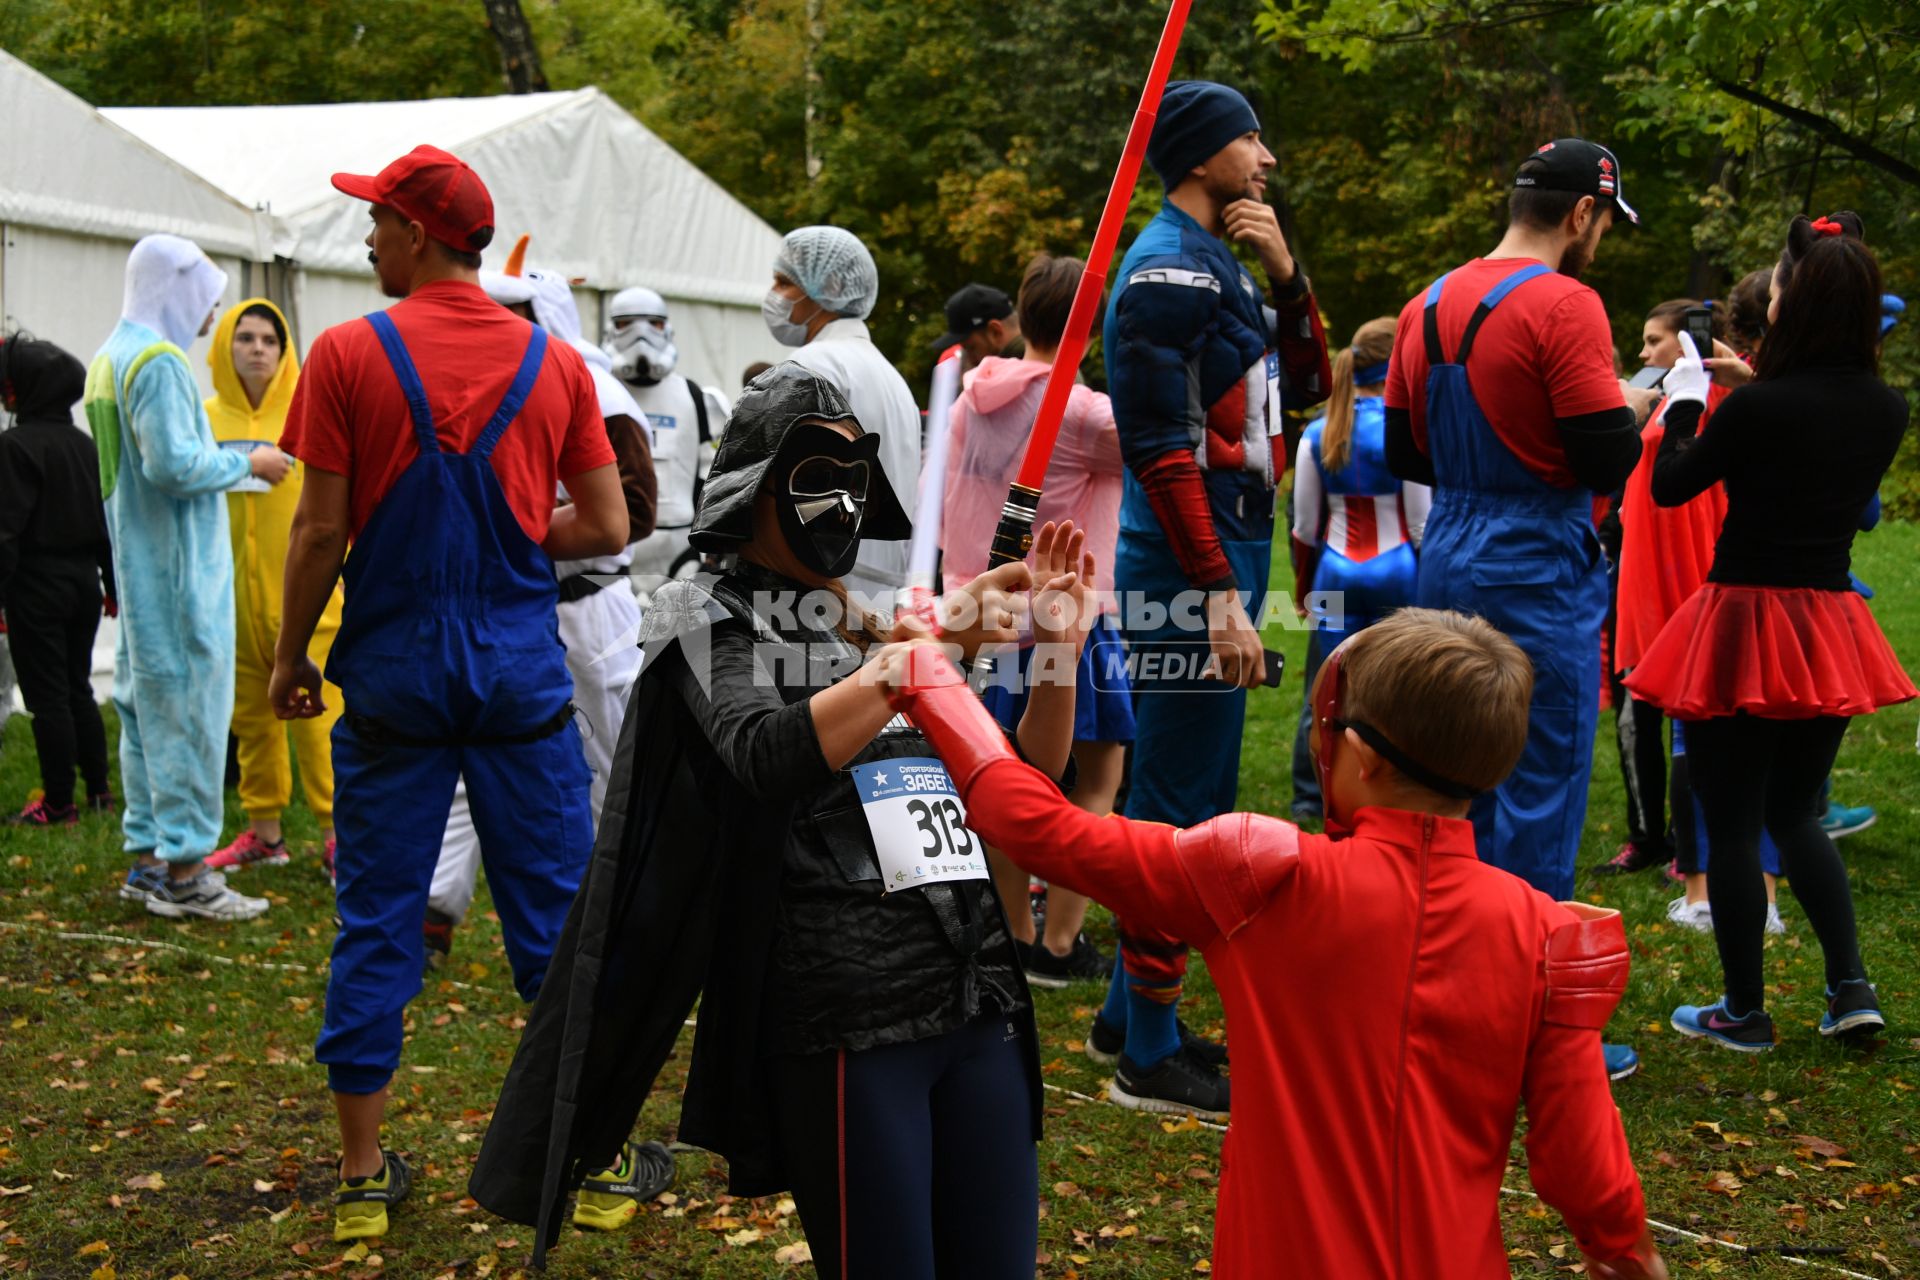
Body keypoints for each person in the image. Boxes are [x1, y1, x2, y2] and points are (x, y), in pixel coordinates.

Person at [471, 366, 1064, 1278]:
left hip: (977, 993)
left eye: (852, 483)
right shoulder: (699, 610)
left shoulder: (870, 627)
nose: (838, 504)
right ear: (753, 491)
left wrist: (1055, 645)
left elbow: (1028, 778)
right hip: (851, 1015)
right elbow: (765, 750)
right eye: (812, 478)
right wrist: (928, 650)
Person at [879, 608, 1668, 1280]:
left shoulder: (1267, 879)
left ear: (1356, 754)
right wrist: (1624, 1251)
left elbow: (1033, 824)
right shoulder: (1545, 935)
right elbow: (1584, 1164)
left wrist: (932, 676)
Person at [268, 145, 631, 1242]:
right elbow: (609, 525)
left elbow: (322, 527)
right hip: (520, 674)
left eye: (377, 220)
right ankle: (595, 1161)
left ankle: (366, 1175)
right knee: (558, 918)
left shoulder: (343, 353)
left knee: (378, 914)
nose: (368, 237)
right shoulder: (554, 363)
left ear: (419, 234)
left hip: (393, 677)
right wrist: (523, 534)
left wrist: (292, 658)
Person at [1385, 139, 1651, 1078]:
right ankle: (1523, 1023)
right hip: (1536, 558)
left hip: (1447, 549)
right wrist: (1635, 407)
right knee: (1536, 786)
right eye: (1604, 226)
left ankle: (1442, 993)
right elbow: (1605, 459)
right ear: (1582, 214)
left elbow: (1407, 454)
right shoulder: (1567, 304)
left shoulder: (1428, 301)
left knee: (1447, 778)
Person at [1098, 79, 1331, 1117]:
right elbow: (1155, 448)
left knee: (1175, 787)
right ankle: (1147, 1049)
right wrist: (1218, 596)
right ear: (1199, 156)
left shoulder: (1221, 266)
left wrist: (1286, 272)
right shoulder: (1164, 274)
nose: (1268, 155)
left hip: (1224, 547)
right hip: (1192, 560)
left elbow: (1311, 386)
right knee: (1182, 808)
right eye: (1249, 136)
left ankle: (1126, 1006)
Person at [1628, 212, 1914, 1051]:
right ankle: (1850, 987)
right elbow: (1810, 417)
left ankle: (1744, 1011)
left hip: (1742, 617)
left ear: (1800, 301)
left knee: (1733, 818)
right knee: (1796, 813)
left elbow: (1675, 484)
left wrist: (1686, 406)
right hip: (1827, 620)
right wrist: (1745, 380)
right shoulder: (1885, 407)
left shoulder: (1757, 412)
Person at [422, 256, 658, 971]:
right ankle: (431, 912)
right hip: (514, 615)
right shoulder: (490, 390)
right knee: (473, 752)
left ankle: (629, 923)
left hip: (589, 617)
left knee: (611, 771)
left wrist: (512, 526)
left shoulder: (599, 393)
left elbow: (635, 510)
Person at [87, 234, 289, 920]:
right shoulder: (161, 362)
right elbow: (173, 467)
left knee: (144, 718)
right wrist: (249, 466)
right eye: (207, 300)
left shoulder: (107, 358)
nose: (213, 319)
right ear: (175, 287)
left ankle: (147, 858)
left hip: (140, 571)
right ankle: (188, 870)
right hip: (181, 578)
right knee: (192, 720)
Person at [941, 252, 1125, 988]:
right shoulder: (1083, 412)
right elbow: (1176, 447)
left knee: (1008, 777)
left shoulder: (970, 397)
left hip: (992, 608)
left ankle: (1016, 933)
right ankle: (1059, 944)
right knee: (1099, 773)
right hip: (1069, 614)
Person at [1607, 300, 1785, 932]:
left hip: (1693, 580)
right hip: (1660, 580)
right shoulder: (1680, 402)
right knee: (1699, 734)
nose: (1647, 352)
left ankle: (1711, 883)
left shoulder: (1713, 406)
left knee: (1707, 735)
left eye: (1656, 341)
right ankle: (1705, 874)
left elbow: (1677, 483)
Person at [194, 299, 343, 871]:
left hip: (309, 605)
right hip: (230, 602)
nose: (257, 348)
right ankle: (265, 834)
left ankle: (336, 836)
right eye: (245, 337)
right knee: (252, 720)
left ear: (285, 353)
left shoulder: (308, 417)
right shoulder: (202, 419)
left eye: (270, 340)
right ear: (224, 346)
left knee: (320, 719)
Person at [1286, 316, 1428, 821]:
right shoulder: (1405, 428)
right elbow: (1419, 523)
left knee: (1329, 691)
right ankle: (1393, 795)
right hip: (1398, 570)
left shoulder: (1319, 431)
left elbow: (1304, 526)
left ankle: (1318, 796)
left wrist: (1304, 588)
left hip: (1335, 572)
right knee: (1398, 690)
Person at [763, 225, 923, 606]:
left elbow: (780, 490)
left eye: (784, 282)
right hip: (880, 589)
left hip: (819, 584)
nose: (773, 295)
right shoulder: (892, 378)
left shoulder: (811, 365)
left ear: (828, 287)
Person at [0, 332, 115, 826]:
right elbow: (106, 518)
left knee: (47, 696)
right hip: (83, 585)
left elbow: (5, 532)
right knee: (77, 687)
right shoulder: (84, 445)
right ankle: (99, 793)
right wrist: (111, 584)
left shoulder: (14, 447)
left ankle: (58, 803)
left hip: (35, 587)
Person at [603, 285, 730, 588]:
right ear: (612, 330)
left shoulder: (695, 397)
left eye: (654, 324)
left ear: (667, 329)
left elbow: (712, 474)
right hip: (613, 544)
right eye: (626, 324)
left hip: (679, 543)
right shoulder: (598, 393)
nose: (641, 335)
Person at [931, 282, 1020, 372]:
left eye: (971, 348)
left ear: (995, 332)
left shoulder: (1017, 378)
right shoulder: (1027, 365)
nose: (971, 361)